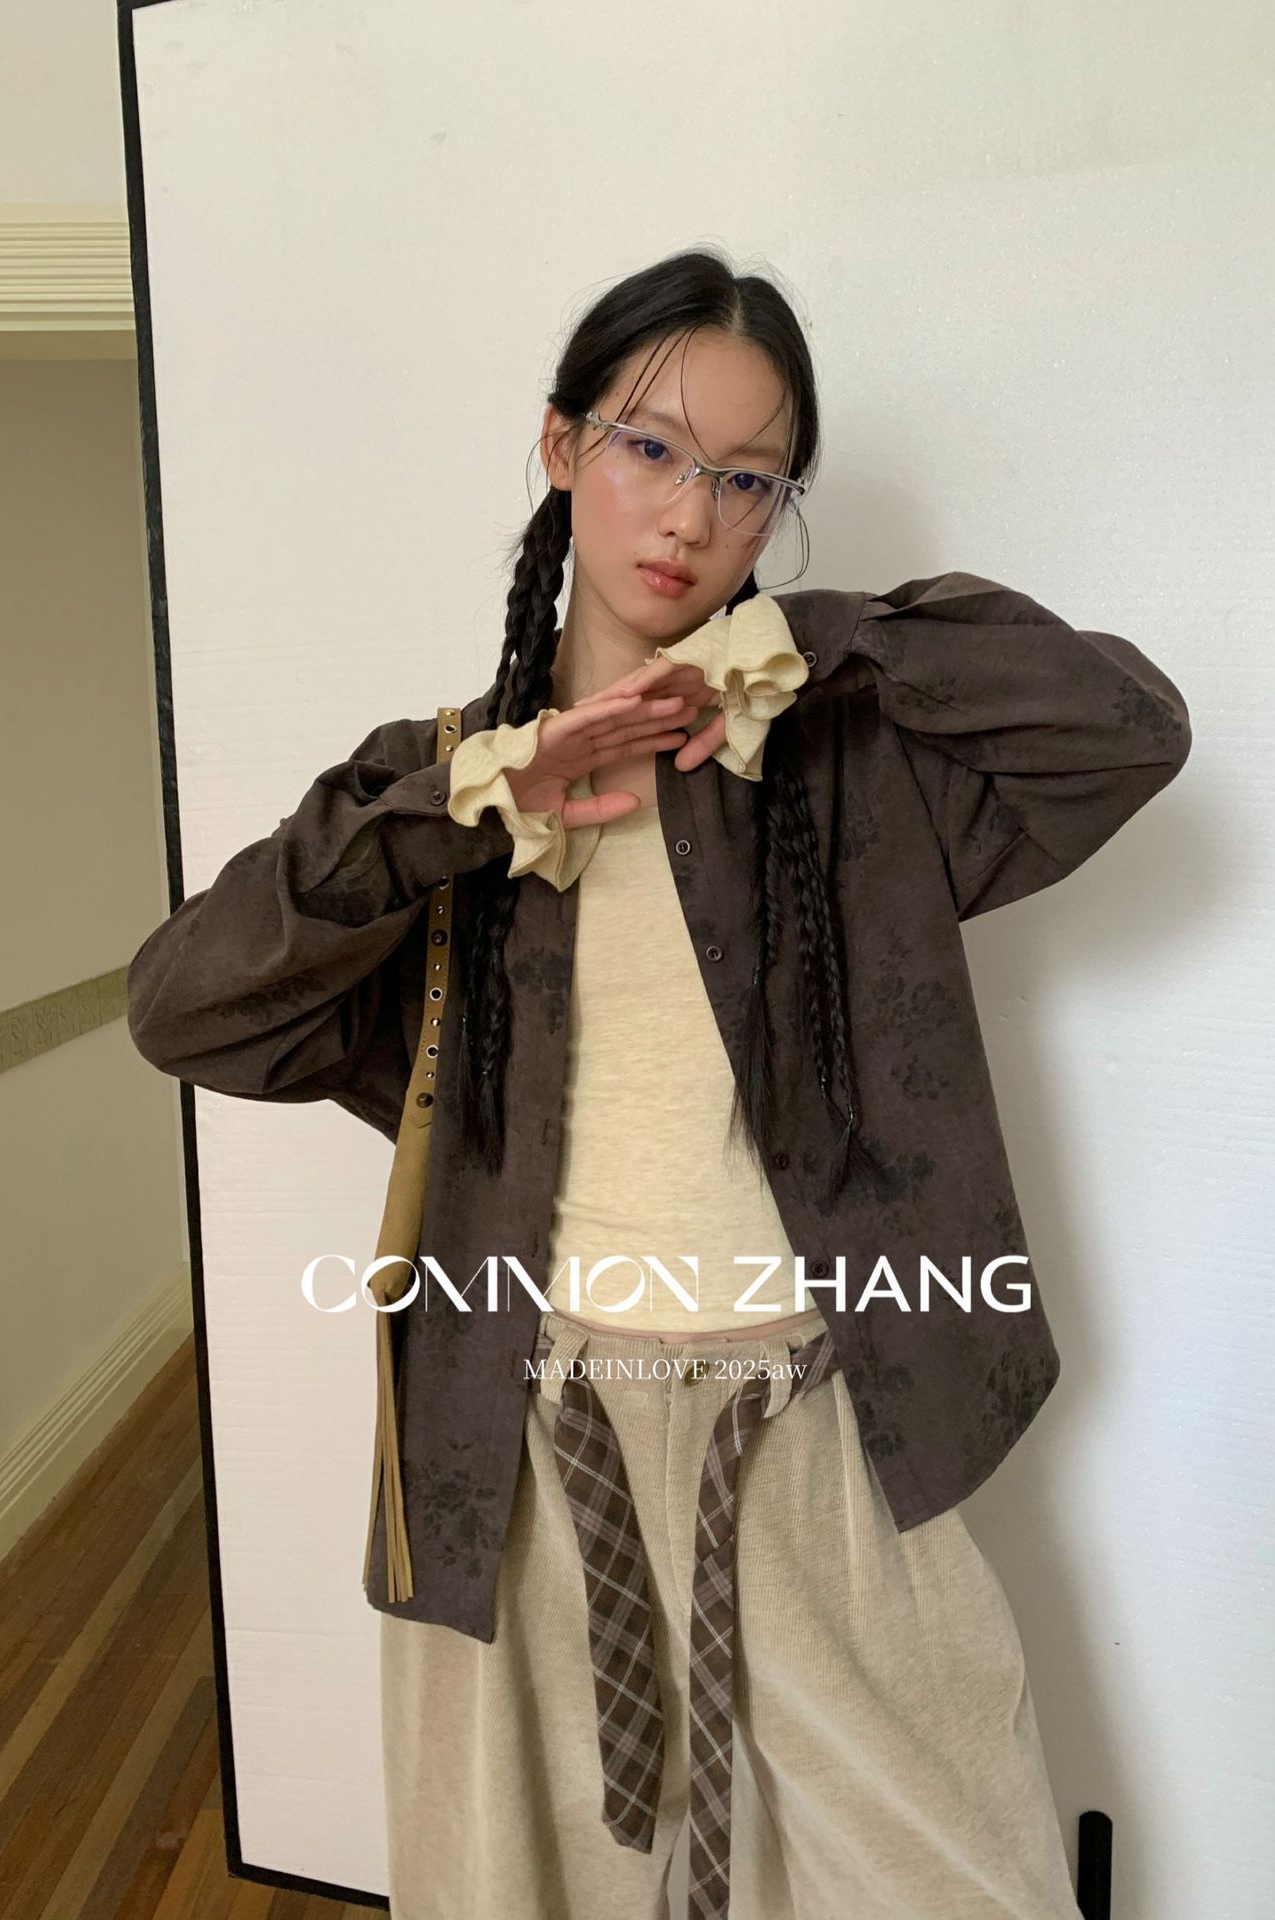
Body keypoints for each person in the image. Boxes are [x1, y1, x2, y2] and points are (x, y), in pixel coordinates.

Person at [127, 244, 1191, 1920]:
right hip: (519, 1430)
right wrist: (471, 806)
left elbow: (1125, 729)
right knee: (518, 1886)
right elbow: (186, 1009)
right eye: (649, 446)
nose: (690, 514)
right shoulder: (441, 788)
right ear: (561, 447)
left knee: (958, 1875)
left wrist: (815, 647)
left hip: (818, 1415)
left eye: (747, 478)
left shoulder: (845, 769)